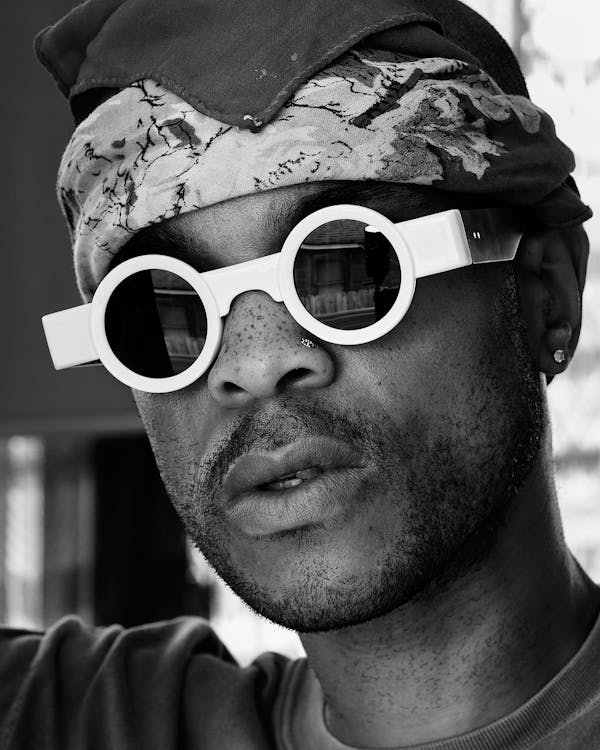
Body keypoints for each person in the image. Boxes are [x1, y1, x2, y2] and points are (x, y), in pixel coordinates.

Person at [1, 0, 598, 747]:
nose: (252, 365)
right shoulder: (74, 718)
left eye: (350, 267)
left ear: (547, 296)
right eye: (162, 310)